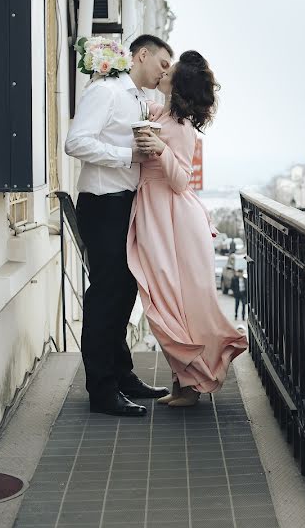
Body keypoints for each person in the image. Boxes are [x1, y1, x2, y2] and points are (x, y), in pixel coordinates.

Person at [129, 51, 248, 407]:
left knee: (176, 302)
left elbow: (181, 180)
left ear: (177, 84)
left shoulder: (180, 129)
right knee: (167, 300)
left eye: (171, 69)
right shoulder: (161, 114)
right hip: (157, 213)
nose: (164, 70)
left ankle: (192, 385)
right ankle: (185, 384)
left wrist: (161, 149)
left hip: (173, 218)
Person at [64, 34, 175, 417]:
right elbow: (75, 142)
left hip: (126, 204)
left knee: (125, 292)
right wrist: (127, 155)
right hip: (101, 204)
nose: (165, 72)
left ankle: (123, 375)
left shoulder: (142, 99)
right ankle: (102, 390)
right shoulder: (106, 90)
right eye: (162, 63)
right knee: (105, 297)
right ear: (141, 54)